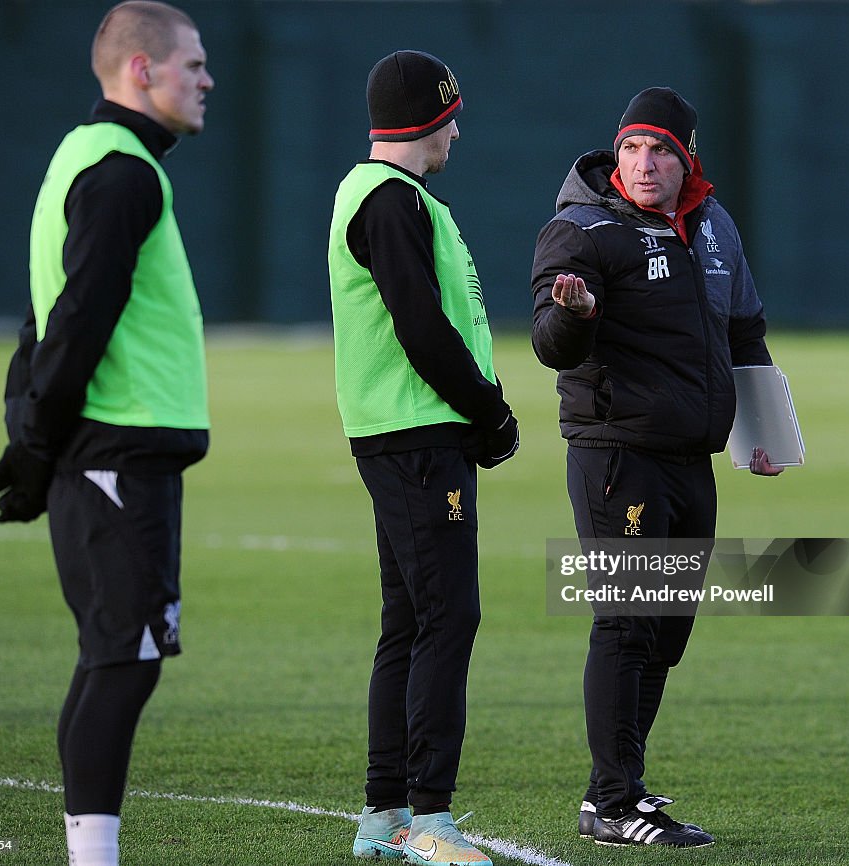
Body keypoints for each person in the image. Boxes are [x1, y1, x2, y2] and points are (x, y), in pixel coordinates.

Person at [0, 3, 213, 863]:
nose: (208, 80)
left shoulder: (84, 158)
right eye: (193, 64)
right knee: (126, 655)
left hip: (109, 450)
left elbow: (44, 315)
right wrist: (38, 443)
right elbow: (77, 316)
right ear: (141, 70)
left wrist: (32, 433)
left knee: (115, 654)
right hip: (116, 449)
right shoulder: (121, 172)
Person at [530, 86, 783, 849]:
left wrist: (764, 431)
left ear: (687, 158)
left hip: (689, 460)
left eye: (660, 150)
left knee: (667, 632)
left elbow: (744, 332)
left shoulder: (712, 226)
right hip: (618, 456)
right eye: (632, 148)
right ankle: (613, 802)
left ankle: (617, 791)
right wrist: (573, 316)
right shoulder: (583, 229)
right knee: (628, 622)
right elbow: (549, 340)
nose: (643, 163)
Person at [328, 49, 519, 866]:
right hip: (418, 435)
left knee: (408, 624)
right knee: (448, 617)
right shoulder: (391, 200)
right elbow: (420, 325)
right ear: (425, 120)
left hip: (403, 432)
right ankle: (429, 820)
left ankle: (384, 815)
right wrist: (488, 410)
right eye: (449, 116)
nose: (457, 130)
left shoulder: (389, 196)